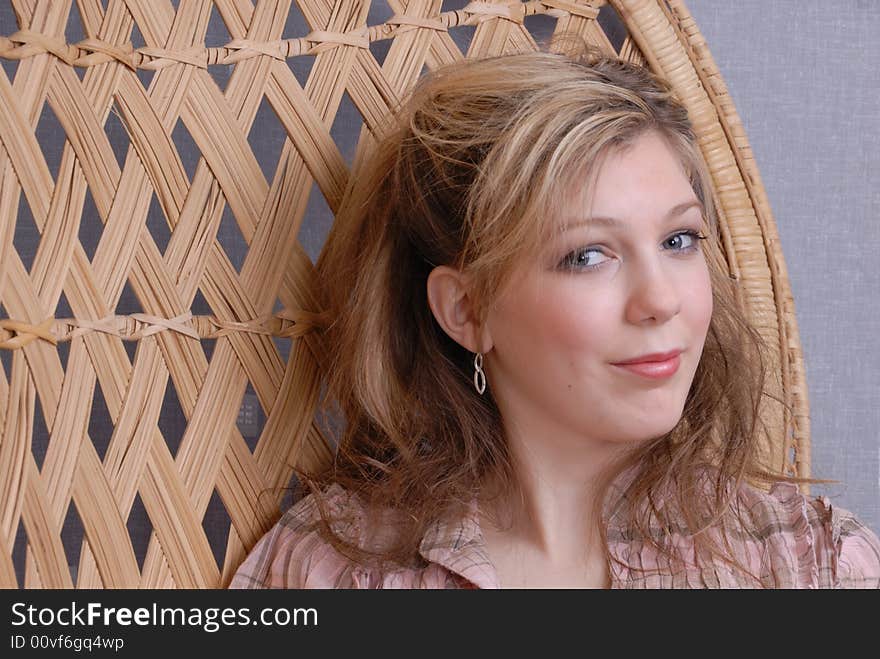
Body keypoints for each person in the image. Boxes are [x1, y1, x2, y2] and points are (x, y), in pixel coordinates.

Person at [230, 39, 880, 589]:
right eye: (589, 255)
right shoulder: (328, 570)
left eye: (679, 240)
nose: (661, 299)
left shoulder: (810, 565)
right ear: (466, 308)